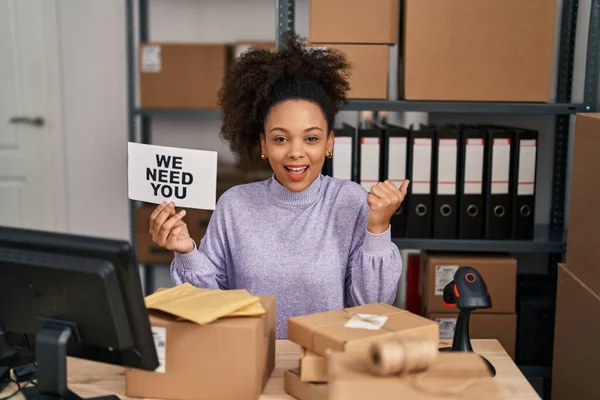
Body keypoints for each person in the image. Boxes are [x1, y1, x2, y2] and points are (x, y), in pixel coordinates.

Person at [148, 32, 409, 339]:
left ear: (329, 143)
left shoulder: (352, 201)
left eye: (311, 138)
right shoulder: (235, 205)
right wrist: (186, 250)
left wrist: (377, 229)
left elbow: (370, 309)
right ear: (263, 144)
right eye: (280, 138)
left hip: (324, 365)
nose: (295, 152)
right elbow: (211, 305)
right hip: (247, 362)